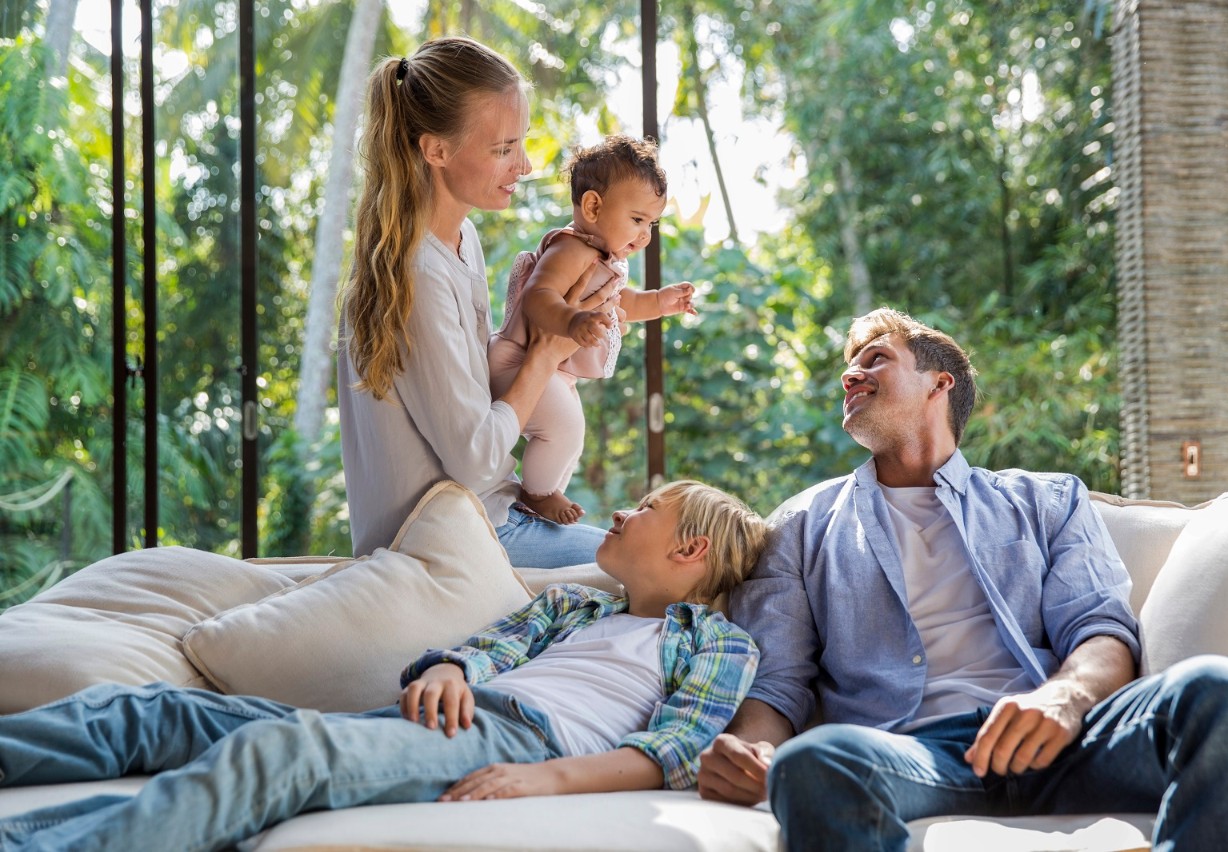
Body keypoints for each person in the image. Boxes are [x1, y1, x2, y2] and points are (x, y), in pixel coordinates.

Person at [697, 307, 1228, 850]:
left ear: (939, 383)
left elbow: (1099, 631)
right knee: (815, 762)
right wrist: (750, 751)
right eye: (849, 368)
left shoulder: (1048, 501)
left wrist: (1062, 699)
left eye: (876, 359)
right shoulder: (800, 526)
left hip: (1064, 737)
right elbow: (778, 681)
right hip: (910, 754)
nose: (851, 376)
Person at [0, 480, 768, 852]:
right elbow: (493, 647)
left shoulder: (719, 644)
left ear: (690, 548)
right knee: (154, 710)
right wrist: (450, 670)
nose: (625, 511)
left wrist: (547, 778)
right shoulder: (575, 605)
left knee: (281, 753)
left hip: (522, 741)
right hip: (439, 719)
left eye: (648, 508)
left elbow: (673, 750)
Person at [337, 36, 610, 566]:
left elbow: (469, 392)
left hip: (486, 518)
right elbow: (475, 459)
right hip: (451, 544)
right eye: (503, 150)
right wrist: (544, 355)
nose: (524, 165)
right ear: (436, 150)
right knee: (655, 572)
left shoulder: (461, 241)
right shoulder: (417, 273)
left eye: (521, 143)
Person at [489, 135, 697, 525]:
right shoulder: (572, 248)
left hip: (550, 369)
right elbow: (538, 296)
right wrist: (572, 321)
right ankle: (537, 493)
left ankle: (545, 494)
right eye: (637, 220)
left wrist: (659, 301)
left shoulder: (602, 259)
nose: (645, 235)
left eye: (651, 224)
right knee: (564, 429)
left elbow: (620, 302)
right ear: (593, 206)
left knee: (571, 437)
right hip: (518, 360)